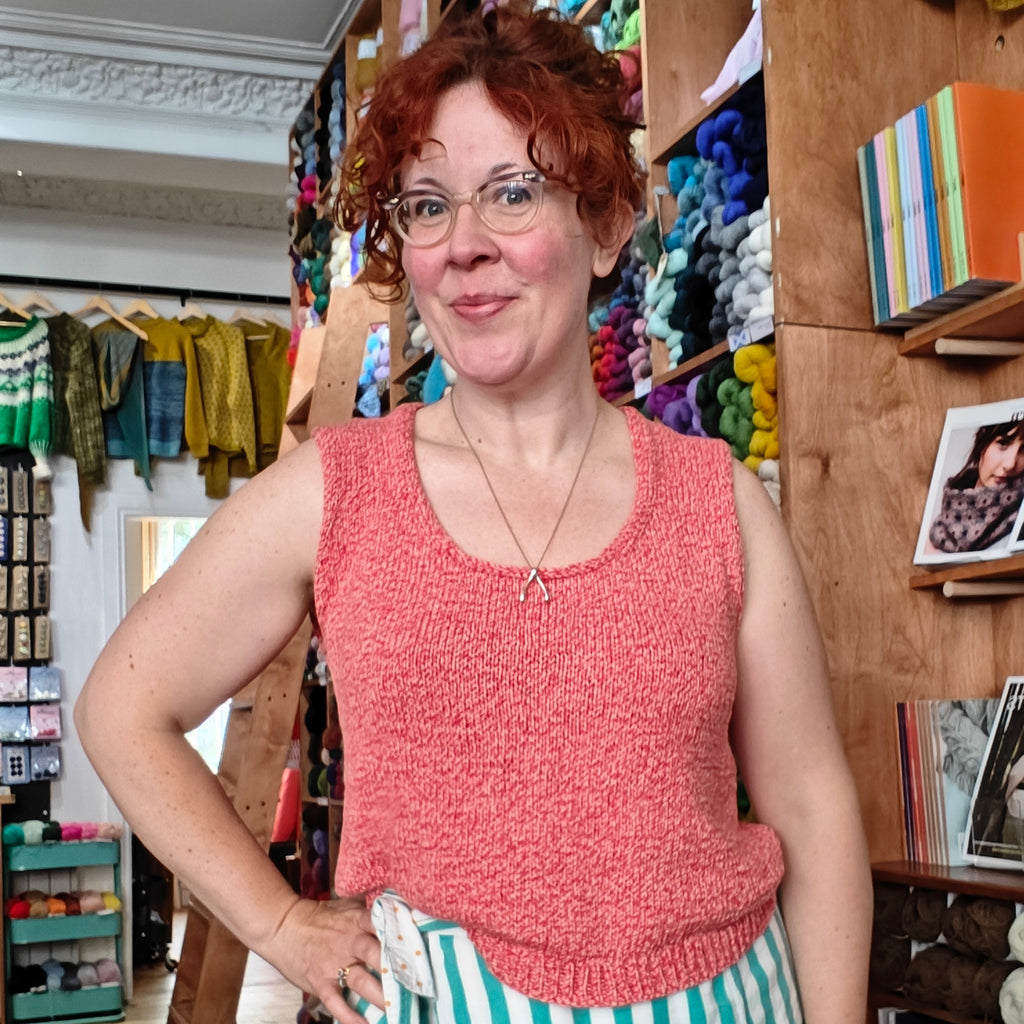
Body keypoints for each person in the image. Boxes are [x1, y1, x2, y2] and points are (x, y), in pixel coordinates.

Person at [75, 5, 872, 1023]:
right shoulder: (336, 493)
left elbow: (812, 807)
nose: (463, 245)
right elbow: (121, 710)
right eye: (427, 205)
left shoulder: (717, 502)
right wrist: (278, 923)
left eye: (512, 192)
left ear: (604, 226)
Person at [928, 416, 1024, 554]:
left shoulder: (1020, 523)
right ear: (982, 442)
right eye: (1003, 443)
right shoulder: (937, 530)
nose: (1010, 464)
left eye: (1023, 449)